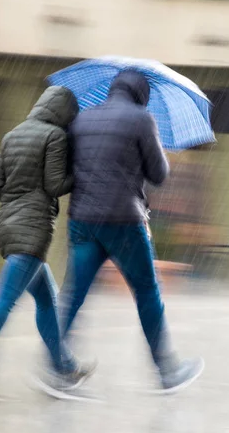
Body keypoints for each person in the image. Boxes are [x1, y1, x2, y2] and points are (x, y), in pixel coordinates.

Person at [57, 70, 204, 394]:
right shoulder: (141, 119)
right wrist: (151, 148)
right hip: (124, 220)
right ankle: (167, 371)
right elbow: (159, 174)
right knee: (147, 292)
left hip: (82, 219)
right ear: (141, 93)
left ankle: (55, 367)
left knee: (74, 294)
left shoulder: (82, 119)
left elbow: (69, 168)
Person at [0, 86, 95, 400]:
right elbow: (55, 184)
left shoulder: (12, 134)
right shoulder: (55, 137)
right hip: (34, 227)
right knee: (6, 299)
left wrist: (20, 195)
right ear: (65, 113)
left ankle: (64, 366)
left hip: (8, 225)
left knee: (47, 300)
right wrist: (79, 174)